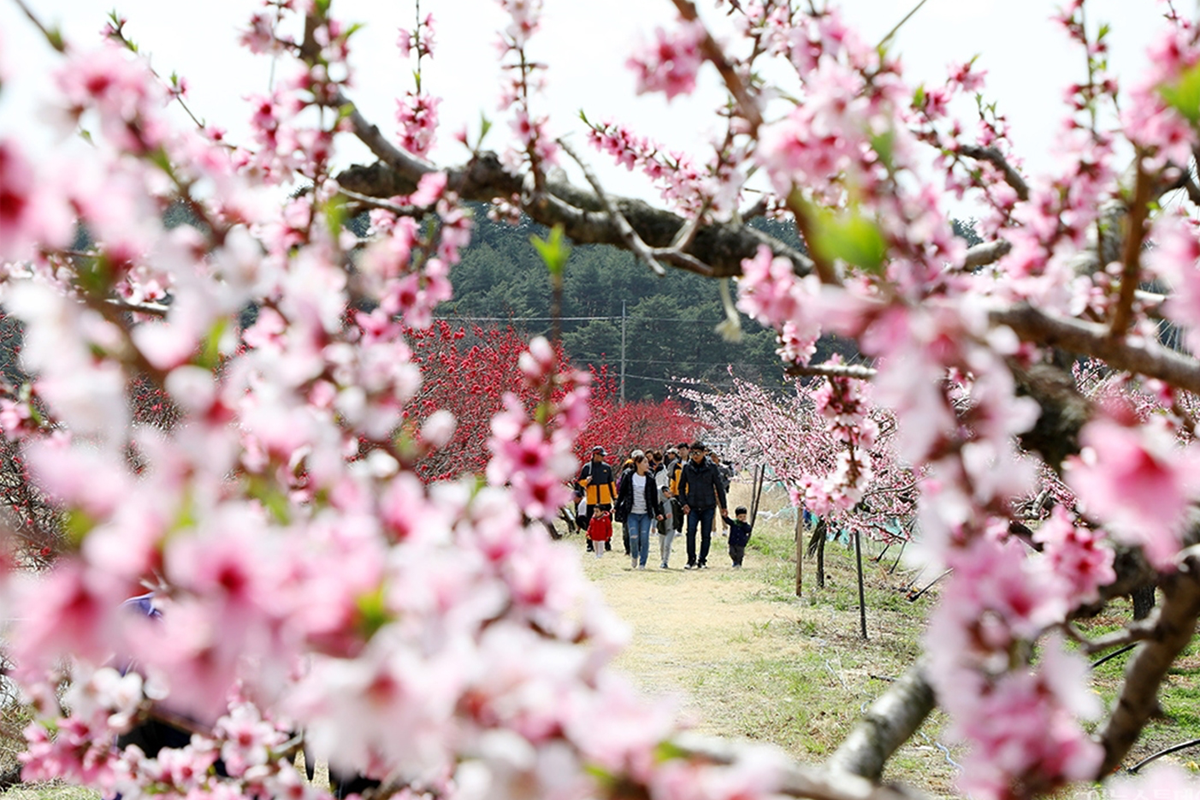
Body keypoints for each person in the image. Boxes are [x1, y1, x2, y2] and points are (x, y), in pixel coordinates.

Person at [678, 441, 727, 569]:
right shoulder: (687, 467)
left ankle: (702, 560)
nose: (695, 456)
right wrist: (684, 503)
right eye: (693, 453)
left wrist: (723, 506)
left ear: (704, 453)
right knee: (690, 533)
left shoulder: (711, 467)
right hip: (692, 505)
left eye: (698, 453)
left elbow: (719, 487)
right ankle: (691, 559)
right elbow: (681, 487)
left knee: (706, 534)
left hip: (708, 505)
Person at [615, 453, 664, 570]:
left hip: (645, 514)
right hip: (632, 513)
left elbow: (653, 498)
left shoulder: (650, 478)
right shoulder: (628, 476)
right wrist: (616, 507)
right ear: (637, 464)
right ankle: (634, 556)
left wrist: (657, 513)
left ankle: (642, 563)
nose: (648, 464)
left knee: (644, 537)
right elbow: (621, 494)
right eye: (645, 462)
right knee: (633, 537)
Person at [578, 446, 617, 552]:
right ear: (595, 455)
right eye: (601, 455)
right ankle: (590, 544)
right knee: (591, 523)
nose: (603, 457)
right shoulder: (587, 468)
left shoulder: (607, 468)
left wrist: (615, 498)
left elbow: (611, 484)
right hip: (592, 501)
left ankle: (607, 542)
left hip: (605, 500)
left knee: (608, 521)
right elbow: (580, 482)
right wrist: (586, 481)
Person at [658, 448, 680, 568]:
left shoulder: (673, 502)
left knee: (667, 544)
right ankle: (662, 559)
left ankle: (665, 561)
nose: (668, 492)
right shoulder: (659, 505)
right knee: (661, 545)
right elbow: (656, 515)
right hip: (662, 527)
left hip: (671, 527)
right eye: (665, 491)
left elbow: (680, 511)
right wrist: (662, 516)